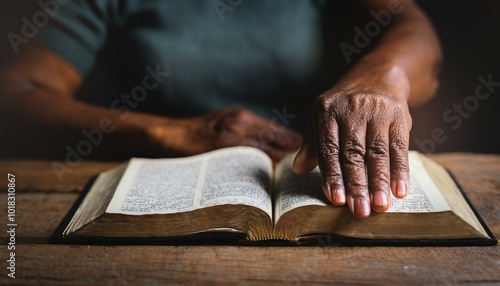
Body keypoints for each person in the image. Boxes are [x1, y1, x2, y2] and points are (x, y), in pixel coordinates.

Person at [0, 0, 441, 219]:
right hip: (160, 195)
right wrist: (167, 132)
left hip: (308, 183)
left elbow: (412, 26)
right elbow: (17, 94)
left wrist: (384, 76)